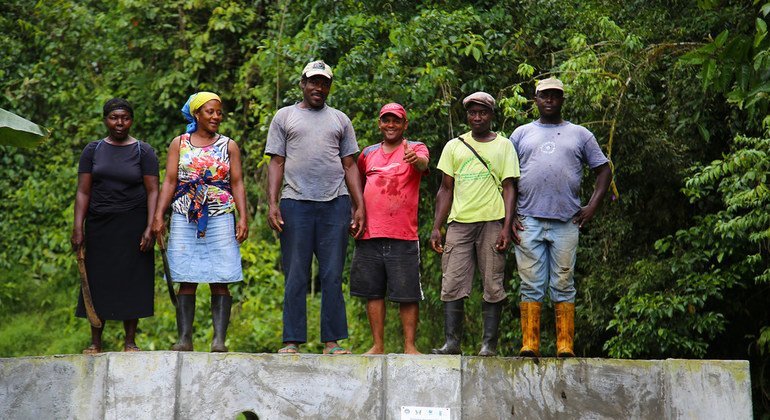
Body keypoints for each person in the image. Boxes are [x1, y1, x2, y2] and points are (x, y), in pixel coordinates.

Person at [265, 60, 365, 355]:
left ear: (329, 87)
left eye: (324, 83)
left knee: (332, 274)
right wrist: (273, 203)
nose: (318, 88)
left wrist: (359, 206)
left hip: (335, 203)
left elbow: (350, 165)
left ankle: (332, 342)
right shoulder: (285, 117)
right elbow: (276, 161)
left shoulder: (340, 120)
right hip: (295, 203)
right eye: (313, 82)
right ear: (303, 84)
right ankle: (292, 341)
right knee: (296, 272)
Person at [509, 78, 611, 357]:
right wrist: (509, 218)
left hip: (566, 220)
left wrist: (592, 205)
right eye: (545, 96)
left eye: (555, 96)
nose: (550, 100)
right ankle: (530, 343)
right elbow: (505, 177)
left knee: (564, 282)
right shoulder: (520, 134)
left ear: (562, 99)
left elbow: (603, 169)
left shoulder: (580, 134)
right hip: (528, 219)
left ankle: (564, 344)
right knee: (530, 283)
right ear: (536, 99)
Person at [151, 92, 248, 353]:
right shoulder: (179, 143)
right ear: (196, 114)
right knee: (186, 276)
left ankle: (218, 340)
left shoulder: (229, 145)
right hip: (185, 215)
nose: (216, 116)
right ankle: (185, 339)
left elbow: (237, 182)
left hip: (220, 215)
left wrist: (243, 216)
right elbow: (170, 181)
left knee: (221, 277)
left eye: (219, 112)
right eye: (210, 112)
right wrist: (159, 215)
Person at [430, 92, 519, 356]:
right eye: (472, 112)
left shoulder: (504, 146)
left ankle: (488, 345)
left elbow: (509, 187)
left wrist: (506, 226)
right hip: (459, 224)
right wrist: (437, 226)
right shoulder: (454, 146)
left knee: (493, 283)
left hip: (492, 222)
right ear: (467, 115)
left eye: (482, 112)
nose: (477, 117)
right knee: (452, 281)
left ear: (491, 115)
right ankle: (452, 343)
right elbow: (445, 189)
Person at [71, 98, 159, 354]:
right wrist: (78, 227)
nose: (120, 123)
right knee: (97, 279)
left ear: (131, 120)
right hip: (100, 224)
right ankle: (95, 341)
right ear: (105, 119)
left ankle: (130, 341)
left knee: (134, 280)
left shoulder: (144, 151)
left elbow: (153, 190)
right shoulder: (93, 150)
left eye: (125, 118)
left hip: (134, 223)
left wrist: (150, 226)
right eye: (114, 118)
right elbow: (83, 192)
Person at [351, 103, 429, 355]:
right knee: (372, 292)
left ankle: (409, 346)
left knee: (407, 293)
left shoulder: (415, 147)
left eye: (396, 120)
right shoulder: (368, 153)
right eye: (386, 120)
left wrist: (415, 160)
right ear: (380, 123)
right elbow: (358, 184)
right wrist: (356, 214)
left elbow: (424, 164)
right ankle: (378, 345)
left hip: (404, 234)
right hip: (370, 233)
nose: (391, 125)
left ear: (405, 124)